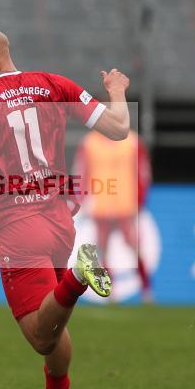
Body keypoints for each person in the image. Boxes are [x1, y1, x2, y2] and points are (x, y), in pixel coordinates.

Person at [0, 26, 131, 389]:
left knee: (39, 335)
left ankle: (79, 276)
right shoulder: (54, 84)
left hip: (19, 229)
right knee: (53, 325)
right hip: (60, 224)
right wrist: (117, 91)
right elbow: (119, 128)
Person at [74, 128, 153, 303]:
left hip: (125, 205)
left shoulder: (132, 141)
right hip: (101, 206)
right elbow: (81, 171)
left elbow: (143, 171)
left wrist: (139, 200)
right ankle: (111, 293)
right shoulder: (89, 142)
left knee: (134, 247)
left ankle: (146, 290)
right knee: (103, 251)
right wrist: (83, 200)